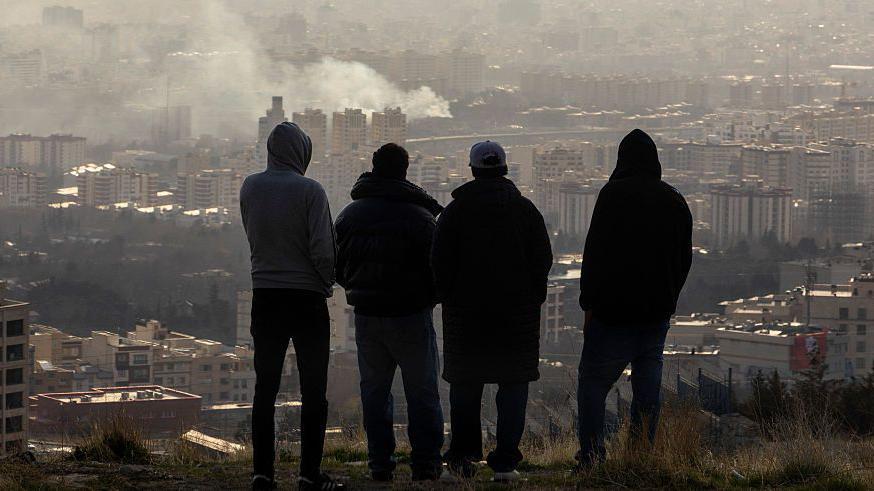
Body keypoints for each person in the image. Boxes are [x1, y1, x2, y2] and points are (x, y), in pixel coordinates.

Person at [432, 141, 553, 482]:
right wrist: (532, 300)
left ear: (472, 170)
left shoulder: (455, 212)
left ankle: (460, 461)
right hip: (516, 320)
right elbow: (542, 260)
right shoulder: (525, 210)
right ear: (504, 169)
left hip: (466, 319)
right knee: (512, 387)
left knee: (465, 388)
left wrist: (450, 299)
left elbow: (439, 262)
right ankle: (505, 464)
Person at [576, 129, 693, 466]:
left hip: (612, 314)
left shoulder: (613, 196)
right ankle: (640, 458)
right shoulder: (674, 200)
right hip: (655, 317)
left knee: (594, 386)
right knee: (647, 394)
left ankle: (592, 456)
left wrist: (589, 305)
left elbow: (595, 253)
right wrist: (668, 298)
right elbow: (684, 259)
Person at [240, 122, 343, 490]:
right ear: (302, 152)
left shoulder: (250, 186)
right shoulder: (310, 191)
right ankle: (308, 474)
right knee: (313, 389)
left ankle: (262, 474)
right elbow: (322, 247)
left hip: (265, 295)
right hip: (306, 299)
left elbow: (253, 234)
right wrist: (326, 283)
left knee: (264, 388)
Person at [334, 143, 445, 482]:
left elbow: (336, 265)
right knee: (422, 391)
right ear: (405, 171)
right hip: (411, 315)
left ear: (374, 167)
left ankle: (380, 464)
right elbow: (439, 270)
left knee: (375, 391)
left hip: (367, 316)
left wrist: (358, 289)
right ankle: (425, 464)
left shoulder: (350, 215)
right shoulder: (422, 218)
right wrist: (428, 297)